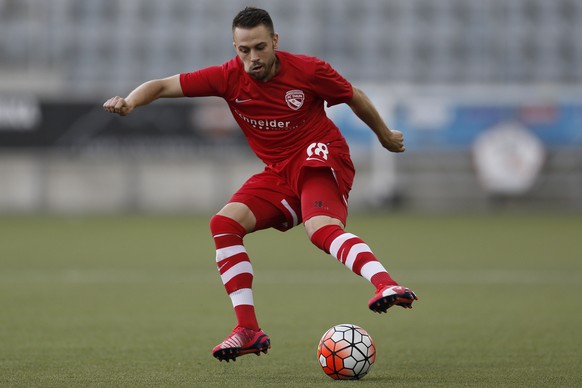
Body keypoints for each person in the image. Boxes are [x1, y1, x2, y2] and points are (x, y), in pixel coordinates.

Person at [103, 6, 417, 362]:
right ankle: (248, 330)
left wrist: (384, 135)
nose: (252, 57)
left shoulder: (309, 70)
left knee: (319, 230)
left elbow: (354, 95)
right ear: (235, 48)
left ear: (275, 41)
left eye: (259, 48)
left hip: (320, 154)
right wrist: (129, 102)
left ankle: (387, 284)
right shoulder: (226, 77)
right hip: (280, 171)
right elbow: (161, 85)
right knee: (224, 224)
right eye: (244, 50)